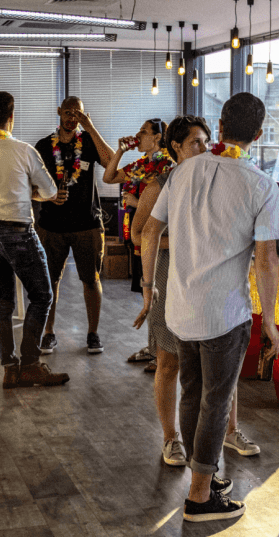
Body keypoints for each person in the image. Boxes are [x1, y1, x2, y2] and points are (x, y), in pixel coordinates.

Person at [139, 93, 279, 523]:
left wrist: (149, 291)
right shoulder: (260, 183)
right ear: (258, 135)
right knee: (216, 403)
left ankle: (201, 477)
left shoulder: (182, 172)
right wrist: (272, 323)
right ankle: (200, 497)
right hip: (224, 313)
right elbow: (266, 261)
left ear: (219, 127)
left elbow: (150, 231)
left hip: (181, 308)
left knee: (193, 394)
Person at [132, 115, 260, 466]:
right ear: (175, 146)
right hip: (168, 277)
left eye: (206, 141)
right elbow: (139, 233)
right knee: (170, 361)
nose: (204, 148)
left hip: (212, 282)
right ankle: (171, 438)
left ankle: (228, 430)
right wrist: (185, 241)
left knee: (224, 366)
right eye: (196, 143)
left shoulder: (218, 179)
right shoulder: (161, 184)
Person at [34, 96, 115, 355]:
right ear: (58, 111)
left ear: (83, 116)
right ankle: (48, 333)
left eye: (77, 114)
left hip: (86, 224)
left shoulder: (89, 142)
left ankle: (93, 333)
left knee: (91, 279)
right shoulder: (44, 146)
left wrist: (90, 128)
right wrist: (48, 195)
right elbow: (31, 185)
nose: (71, 118)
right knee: (50, 281)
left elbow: (112, 162)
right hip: (50, 225)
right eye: (67, 112)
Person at [0, 92, 70, 389]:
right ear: (11, 117)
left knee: (2, 303)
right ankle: (29, 364)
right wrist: (33, 194)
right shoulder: (23, 150)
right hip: (17, 230)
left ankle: (9, 369)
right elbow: (52, 192)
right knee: (42, 296)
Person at [104, 117, 172, 366]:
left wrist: (136, 203)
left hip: (158, 236)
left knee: (160, 292)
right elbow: (109, 177)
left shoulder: (167, 164)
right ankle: (153, 348)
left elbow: (166, 202)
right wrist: (121, 150)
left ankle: (162, 352)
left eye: (143, 132)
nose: (138, 135)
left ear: (157, 137)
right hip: (138, 236)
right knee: (147, 294)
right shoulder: (142, 164)